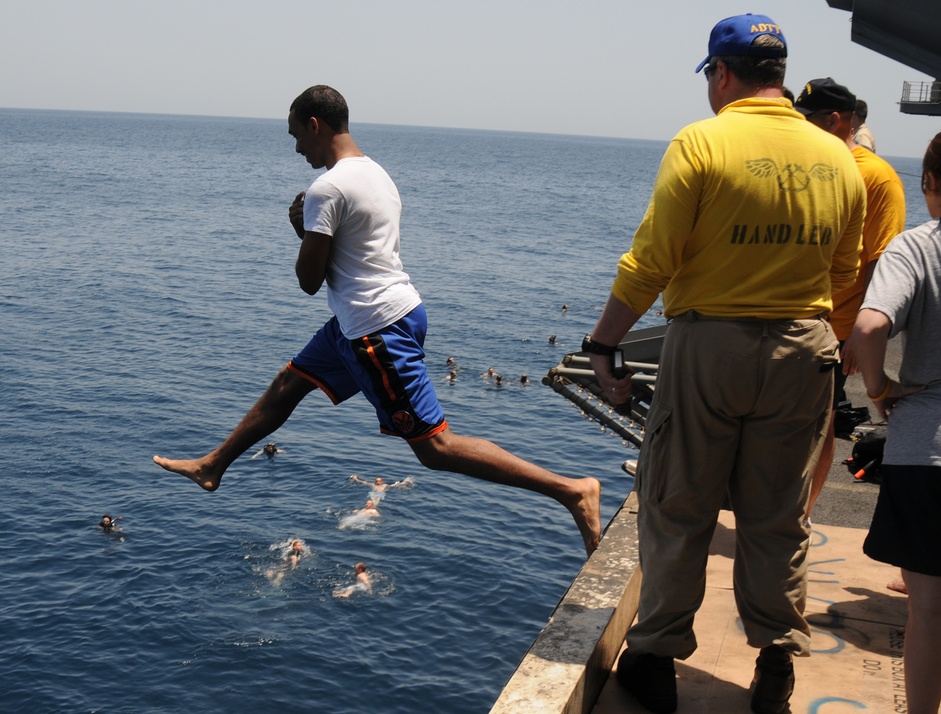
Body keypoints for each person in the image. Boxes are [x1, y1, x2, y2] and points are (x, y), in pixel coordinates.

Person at [152, 85, 600, 556]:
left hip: (374, 330)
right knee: (290, 382)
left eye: (296, 136)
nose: (297, 148)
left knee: (436, 449)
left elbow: (308, 280)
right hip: (369, 318)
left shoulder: (327, 188)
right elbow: (357, 256)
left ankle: (571, 491)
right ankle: (214, 465)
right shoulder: (377, 174)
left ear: (315, 125)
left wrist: (301, 228)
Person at [586, 15, 865, 714]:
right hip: (804, 345)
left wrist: (603, 343)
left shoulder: (702, 141)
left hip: (709, 345)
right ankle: (776, 662)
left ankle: (655, 660)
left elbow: (653, 259)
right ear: (780, 73)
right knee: (777, 512)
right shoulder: (841, 156)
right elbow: (845, 272)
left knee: (679, 503)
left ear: (722, 73)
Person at [848, 127, 941, 714]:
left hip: (931, 450)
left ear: (931, 183)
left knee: (931, 611)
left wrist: (880, 390)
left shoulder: (917, 247)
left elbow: (868, 327)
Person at [795, 79, 906, 521]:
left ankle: (801, 513)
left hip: (836, 329)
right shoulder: (806, 162)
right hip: (793, 318)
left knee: (818, 430)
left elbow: (884, 262)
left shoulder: (876, 176)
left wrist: (861, 336)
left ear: (834, 121)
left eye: (808, 120)